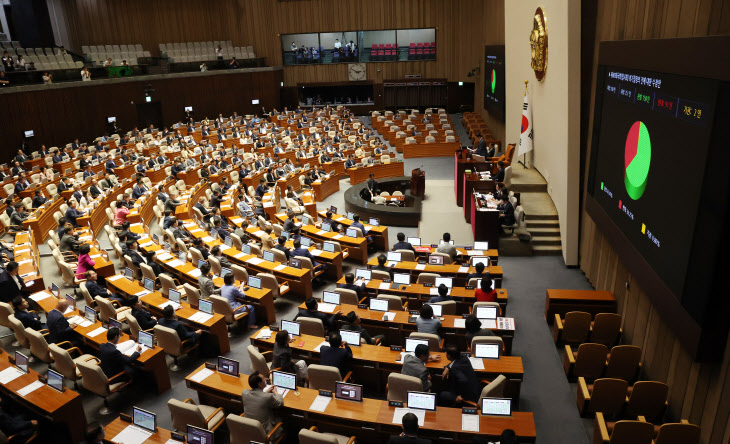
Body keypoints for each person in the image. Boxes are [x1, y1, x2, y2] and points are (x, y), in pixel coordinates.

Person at [241, 372, 284, 436]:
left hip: (248, 428)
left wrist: (265, 392)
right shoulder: (267, 397)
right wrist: (276, 393)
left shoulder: (244, 393)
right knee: (284, 418)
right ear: (260, 384)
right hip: (264, 432)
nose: (266, 379)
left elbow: (257, 397)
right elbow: (280, 403)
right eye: (264, 378)